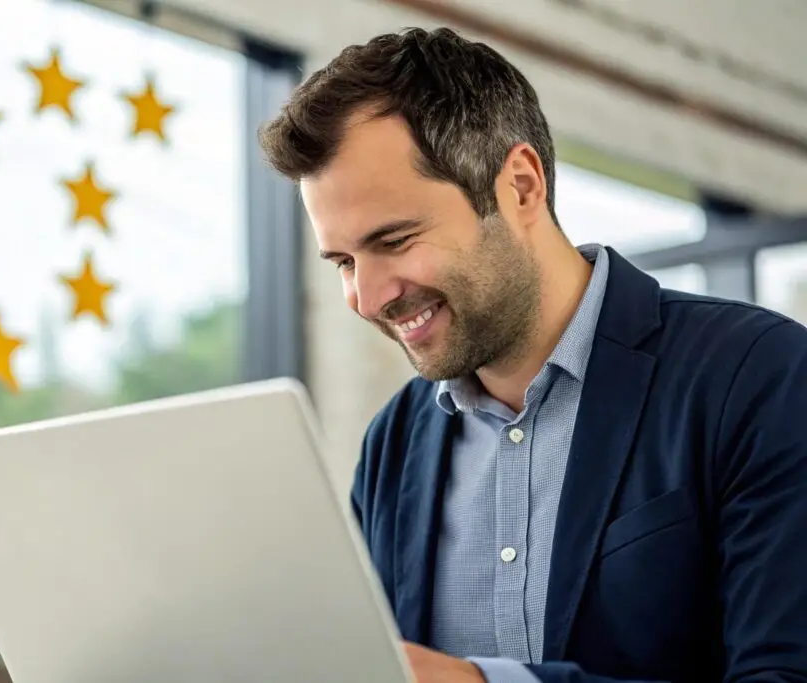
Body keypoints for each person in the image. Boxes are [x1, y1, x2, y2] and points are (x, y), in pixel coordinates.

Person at [257, 27, 807, 683]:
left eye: (395, 241)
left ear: (520, 186)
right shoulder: (394, 444)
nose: (368, 298)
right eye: (344, 262)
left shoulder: (758, 375)